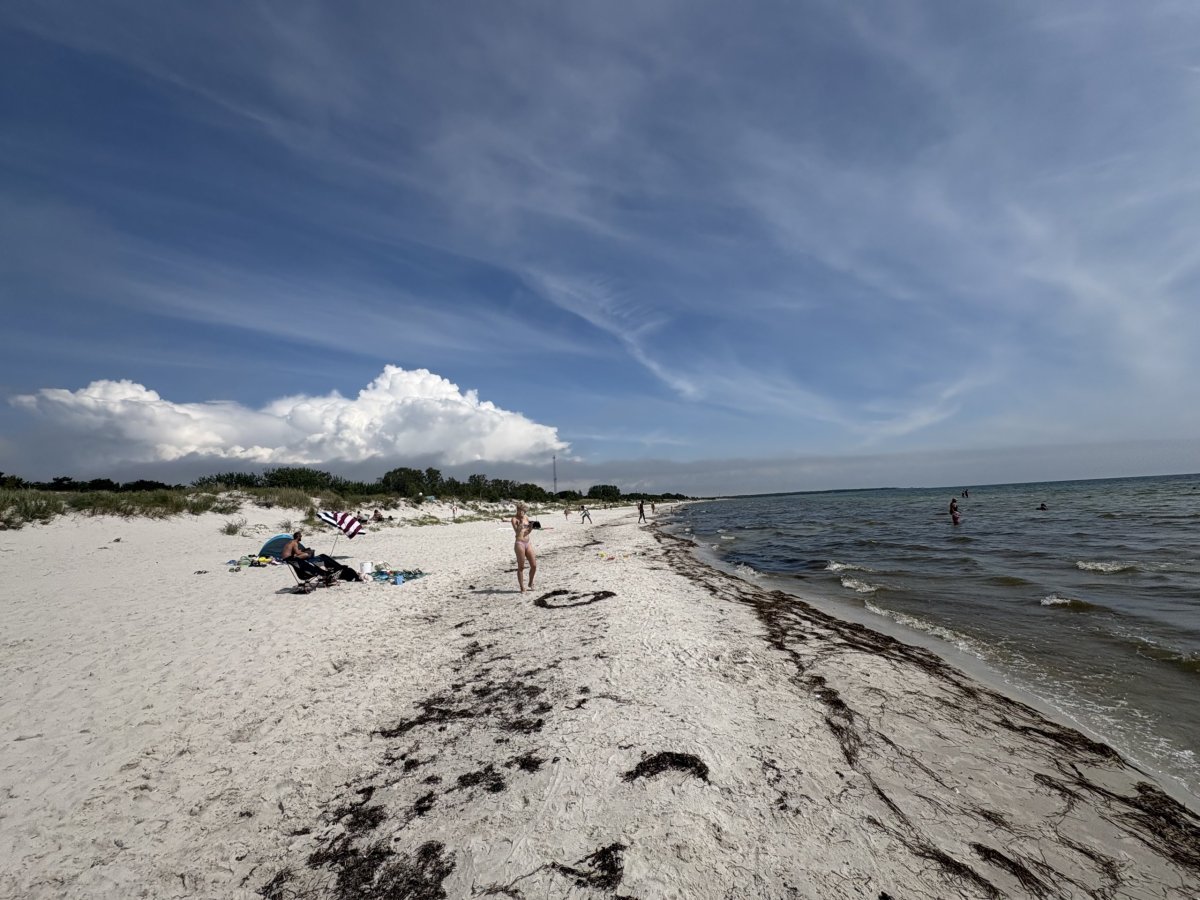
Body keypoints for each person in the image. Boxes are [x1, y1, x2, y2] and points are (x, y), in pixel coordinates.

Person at [510, 503, 537, 593]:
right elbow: (517, 533)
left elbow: (526, 532)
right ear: (517, 510)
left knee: (534, 565)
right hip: (519, 543)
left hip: (527, 543)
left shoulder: (526, 518)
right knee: (521, 567)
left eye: (523, 511)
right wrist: (520, 526)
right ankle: (522, 587)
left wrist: (531, 528)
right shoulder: (514, 519)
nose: (521, 512)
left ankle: (530, 582)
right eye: (520, 510)